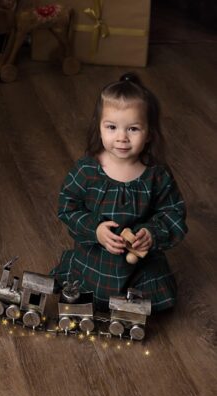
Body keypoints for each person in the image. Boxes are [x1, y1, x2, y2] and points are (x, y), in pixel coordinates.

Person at [51, 73, 187, 310]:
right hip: (97, 259)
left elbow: (173, 212)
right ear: (100, 128)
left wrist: (150, 233)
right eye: (112, 127)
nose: (122, 138)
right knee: (86, 293)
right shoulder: (88, 170)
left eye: (133, 129)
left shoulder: (156, 175)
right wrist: (95, 230)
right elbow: (68, 207)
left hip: (138, 265)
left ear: (149, 134)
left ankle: (131, 305)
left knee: (154, 300)